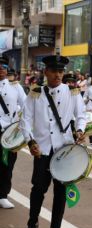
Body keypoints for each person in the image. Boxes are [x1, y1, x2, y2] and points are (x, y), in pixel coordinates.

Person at [20, 55, 86, 228]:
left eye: (61, 71)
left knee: (60, 193)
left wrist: (79, 130)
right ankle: (32, 224)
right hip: (42, 151)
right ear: (46, 72)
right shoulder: (35, 93)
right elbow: (25, 121)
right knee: (38, 190)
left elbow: (81, 115)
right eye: (54, 71)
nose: (58, 75)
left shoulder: (72, 92)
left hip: (64, 152)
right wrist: (30, 141)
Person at [0, 54, 27, 209]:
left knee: (7, 165)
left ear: (7, 70)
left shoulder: (15, 87)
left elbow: (26, 107)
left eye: (3, 67)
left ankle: (3, 195)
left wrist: (20, 124)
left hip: (9, 133)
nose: (0, 70)